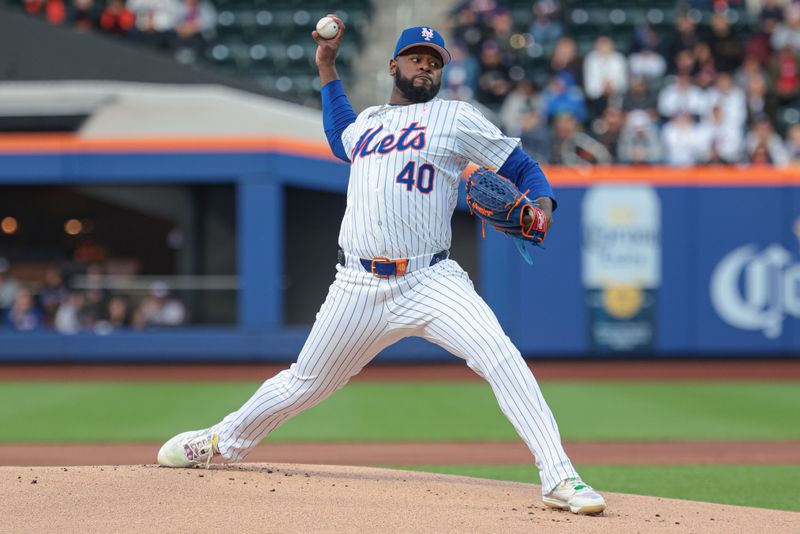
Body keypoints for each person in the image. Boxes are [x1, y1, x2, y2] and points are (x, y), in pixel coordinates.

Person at [156, 19, 607, 516]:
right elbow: (337, 135)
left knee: (499, 355)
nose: (426, 66)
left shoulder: (456, 118)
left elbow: (522, 168)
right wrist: (327, 67)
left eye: (435, 61)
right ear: (394, 66)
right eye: (417, 58)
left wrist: (542, 205)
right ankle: (219, 441)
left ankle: (560, 476)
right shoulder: (368, 121)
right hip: (357, 284)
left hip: (430, 279)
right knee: (304, 383)